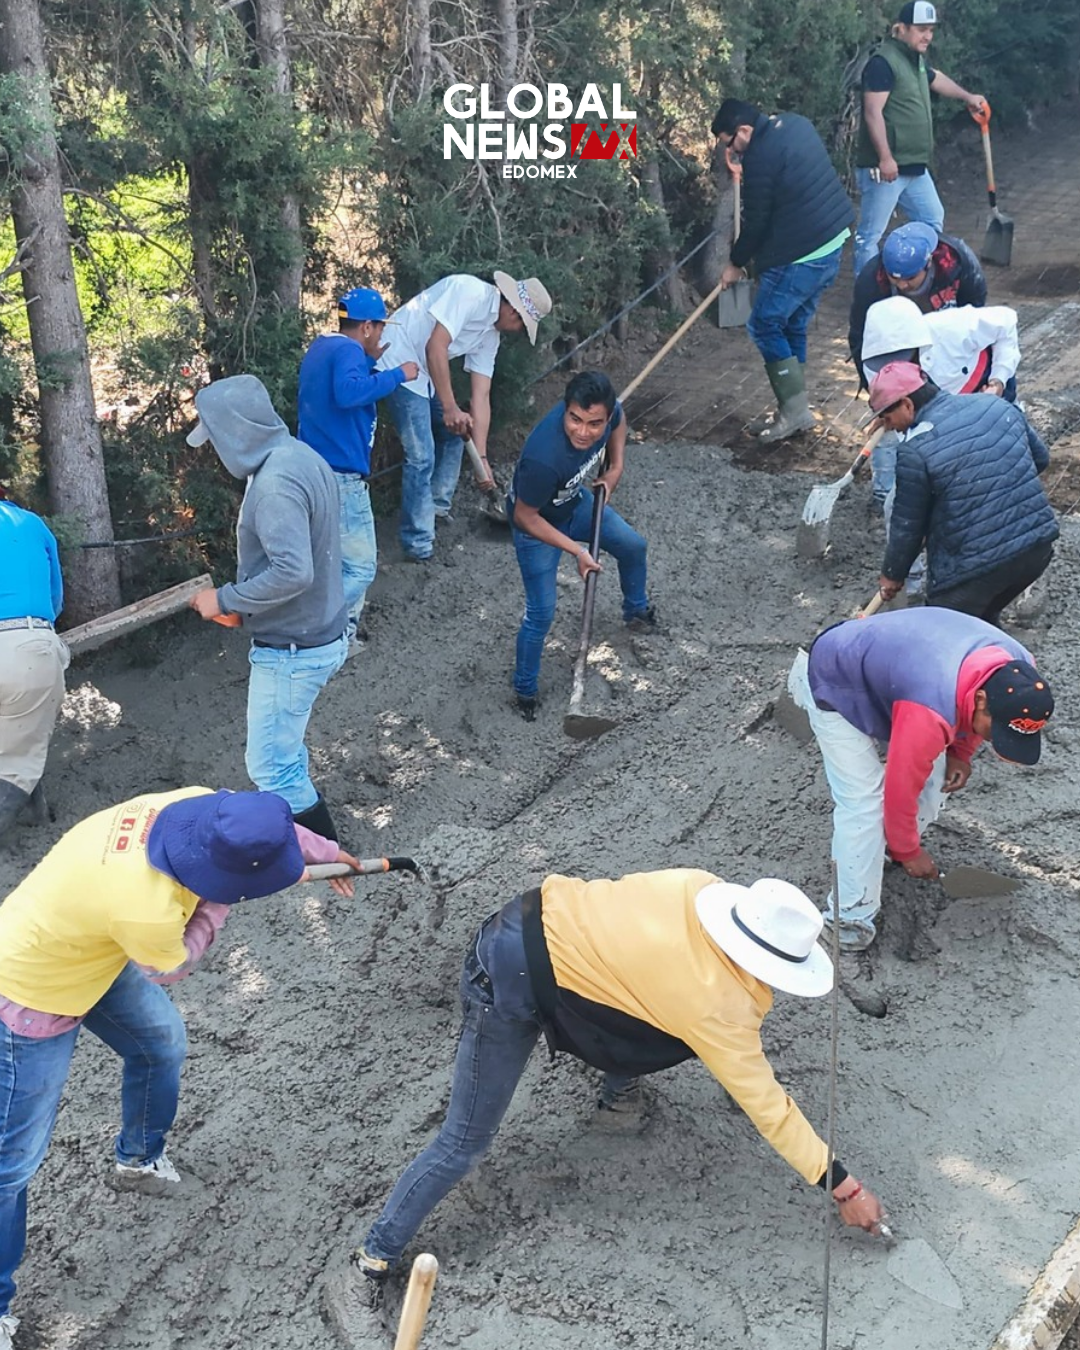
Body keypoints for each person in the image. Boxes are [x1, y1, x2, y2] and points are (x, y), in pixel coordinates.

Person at [325, 872, 887, 1327]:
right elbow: (770, 1108)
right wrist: (844, 1187)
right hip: (506, 976)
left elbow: (632, 966)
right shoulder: (713, 1007)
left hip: (539, 917)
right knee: (463, 1142)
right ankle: (370, 1261)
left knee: (651, 1025)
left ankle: (618, 1099)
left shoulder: (699, 888)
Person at [0, 787, 358, 1350]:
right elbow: (174, 963)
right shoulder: (143, 909)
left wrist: (327, 852)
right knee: (11, 1165)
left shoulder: (201, 805)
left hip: (96, 948)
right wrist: (222, 901)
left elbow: (265, 829)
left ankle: (138, 1159)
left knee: (160, 1043)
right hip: (31, 987)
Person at [788, 608, 1054, 951]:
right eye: (997, 731)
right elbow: (899, 789)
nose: (994, 740)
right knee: (864, 803)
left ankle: (882, 847)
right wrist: (909, 852)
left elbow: (970, 710)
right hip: (837, 677)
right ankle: (848, 921)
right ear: (982, 700)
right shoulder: (929, 710)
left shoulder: (1019, 666)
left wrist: (961, 751)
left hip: (902, 677)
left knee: (937, 777)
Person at [187, 374, 348, 841]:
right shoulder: (300, 456)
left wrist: (225, 598)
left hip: (293, 650)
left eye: (216, 436)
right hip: (318, 630)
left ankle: (329, 859)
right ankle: (312, 851)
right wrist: (247, 606)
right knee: (285, 754)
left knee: (272, 768)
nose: (215, 449)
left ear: (236, 431)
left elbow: (294, 572)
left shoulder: (275, 485)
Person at [507, 371, 656, 721]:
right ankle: (525, 691)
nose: (583, 432)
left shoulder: (609, 414)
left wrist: (616, 467)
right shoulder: (543, 459)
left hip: (574, 504)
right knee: (541, 612)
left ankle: (636, 612)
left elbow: (619, 417)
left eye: (594, 424)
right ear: (565, 409)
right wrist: (577, 551)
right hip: (536, 527)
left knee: (633, 546)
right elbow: (524, 516)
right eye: (575, 419)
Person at [377, 272, 552, 561]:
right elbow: (436, 346)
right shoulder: (469, 292)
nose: (518, 330)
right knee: (421, 456)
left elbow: (481, 396)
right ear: (514, 311)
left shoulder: (490, 337)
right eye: (522, 324)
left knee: (458, 433)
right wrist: (449, 408)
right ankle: (417, 543)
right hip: (398, 358)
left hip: (425, 372)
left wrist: (481, 459)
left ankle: (436, 508)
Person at [869, 363, 1057, 625]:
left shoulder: (915, 450)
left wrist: (892, 575)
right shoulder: (996, 405)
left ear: (907, 405)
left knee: (943, 629)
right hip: (1036, 548)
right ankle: (991, 641)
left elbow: (907, 525)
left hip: (976, 569)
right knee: (982, 617)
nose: (890, 427)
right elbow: (1040, 459)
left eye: (887, 418)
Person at [712, 99, 853, 442]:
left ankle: (794, 411)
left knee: (763, 324)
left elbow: (757, 223)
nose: (731, 151)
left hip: (803, 256)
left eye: (730, 143)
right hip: (833, 241)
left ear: (744, 131)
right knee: (792, 324)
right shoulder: (795, 122)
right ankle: (795, 410)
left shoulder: (759, 158)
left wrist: (735, 264)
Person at [297, 287, 420, 653]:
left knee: (332, 563)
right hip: (342, 478)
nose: (380, 335)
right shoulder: (349, 350)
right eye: (379, 327)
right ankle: (320, 632)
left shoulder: (323, 347)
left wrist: (369, 363)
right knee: (361, 568)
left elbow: (336, 389)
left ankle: (340, 636)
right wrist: (397, 374)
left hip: (314, 470)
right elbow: (348, 393)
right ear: (366, 327)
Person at [853, 1, 985, 276]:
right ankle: (867, 294)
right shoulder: (882, 63)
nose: (928, 36)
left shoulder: (915, 61)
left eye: (931, 30)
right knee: (869, 237)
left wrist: (967, 97)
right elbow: (872, 112)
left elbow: (936, 79)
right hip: (886, 169)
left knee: (931, 220)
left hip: (913, 165)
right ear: (901, 29)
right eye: (921, 30)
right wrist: (885, 158)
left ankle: (917, 279)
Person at [0, 494, 68, 842]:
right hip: (28, 646)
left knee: (20, 737)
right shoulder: (33, 524)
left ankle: (36, 813)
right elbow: (56, 600)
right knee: (22, 748)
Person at [848, 222, 987, 385]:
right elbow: (860, 336)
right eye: (893, 278)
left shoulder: (957, 261)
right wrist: (873, 387)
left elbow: (974, 313)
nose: (902, 285)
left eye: (910, 278)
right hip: (902, 351)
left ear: (928, 263)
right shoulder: (871, 280)